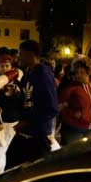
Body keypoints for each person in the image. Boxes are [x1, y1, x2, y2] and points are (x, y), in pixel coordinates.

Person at [7, 39, 59, 167]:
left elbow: (51, 108)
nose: (19, 57)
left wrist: (27, 122)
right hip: (26, 132)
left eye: (21, 53)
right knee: (11, 164)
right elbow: (27, 99)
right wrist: (16, 94)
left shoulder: (43, 74)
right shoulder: (28, 73)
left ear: (30, 54)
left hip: (38, 136)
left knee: (36, 170)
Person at [0, 48, 23, 176]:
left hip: (14, 122)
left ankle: (4, 174)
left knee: (7, 150)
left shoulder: (18, 83)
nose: (5, 68)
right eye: (2, 66)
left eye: (7, 66)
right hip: (1, 122)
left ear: (11, 67)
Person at [58, 58, 91, 144]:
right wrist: (72, 114)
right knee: (75, 152)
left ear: (89, 73)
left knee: (90, 152)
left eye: (82, 72)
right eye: (76, 72)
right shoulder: (70, 89)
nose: (78, 75)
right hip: (74, 130)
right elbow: (59, 107)